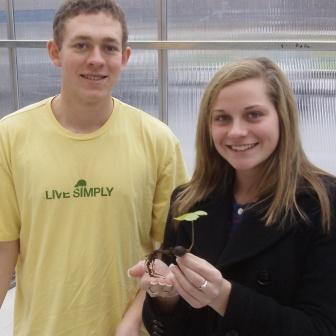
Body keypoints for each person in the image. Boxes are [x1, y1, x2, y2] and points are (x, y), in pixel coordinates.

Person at [0, 0, 188, 335]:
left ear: (124, 58)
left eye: (109, 47)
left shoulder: (158, 142)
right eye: (82, 45)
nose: (97, 59)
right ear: (55, 52)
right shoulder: (10, 138)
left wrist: (130, 323)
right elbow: (4, 247)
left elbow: (170, 253)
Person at [128, 57, 336, 335]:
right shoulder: (187, 201)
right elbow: (171, 327)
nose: (237, 132)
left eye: (254, 115)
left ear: (281, 118)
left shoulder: (322, 203)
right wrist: (167, 295)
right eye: (222, 118)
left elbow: (321, 328)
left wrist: (223, 297)